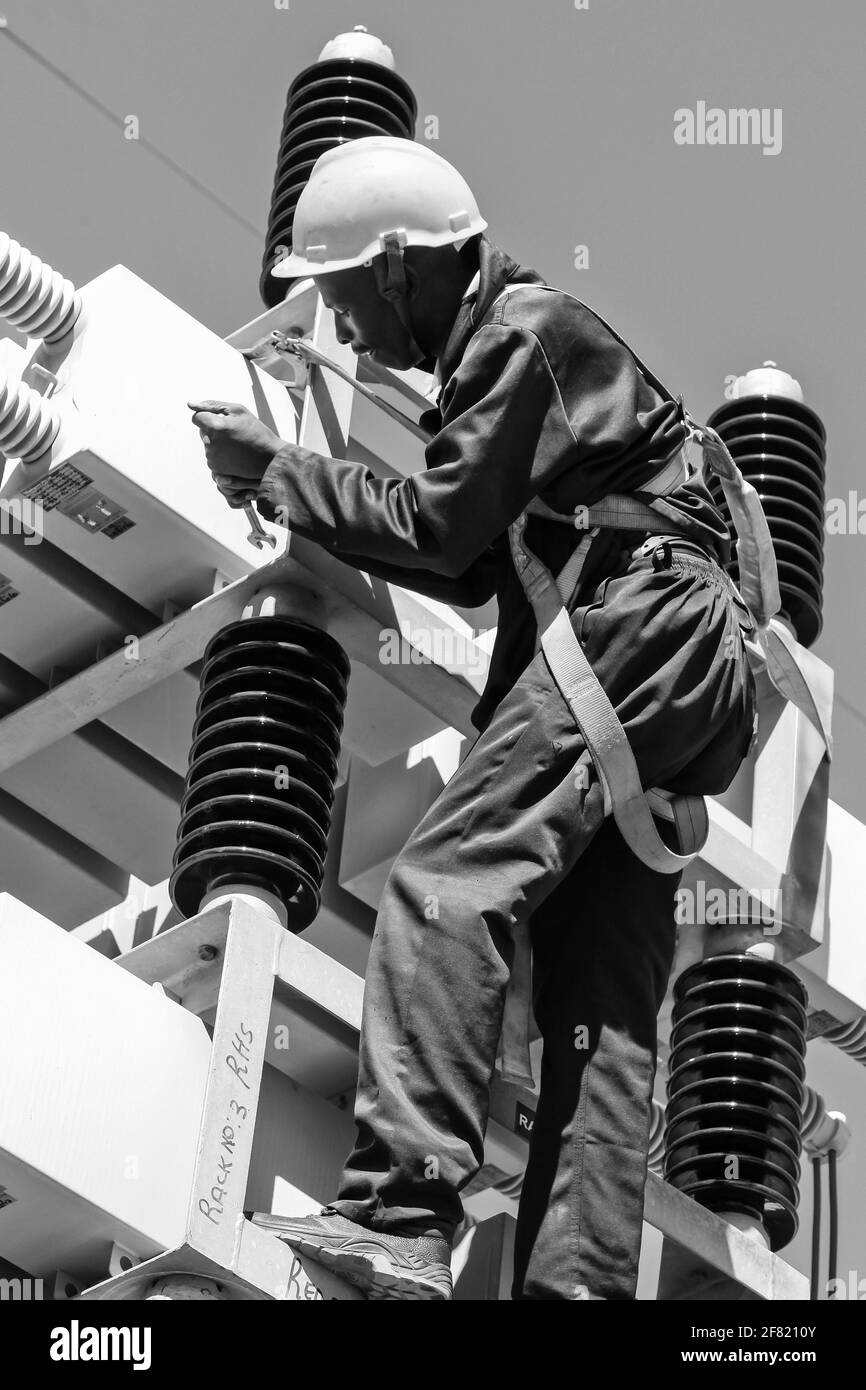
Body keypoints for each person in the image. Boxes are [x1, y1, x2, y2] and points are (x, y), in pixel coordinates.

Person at [188, 136, 756, 1301]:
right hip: (685, 672)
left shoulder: (521, 334)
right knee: (597, 1017)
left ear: (400, 269)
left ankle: (399, 1211)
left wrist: (281, 472)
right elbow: (469, 566)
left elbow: (442, 527)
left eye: (344, 300)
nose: (342, 333)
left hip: (643, 622)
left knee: (444, 882)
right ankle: (574, 1288)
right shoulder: (523, 370)